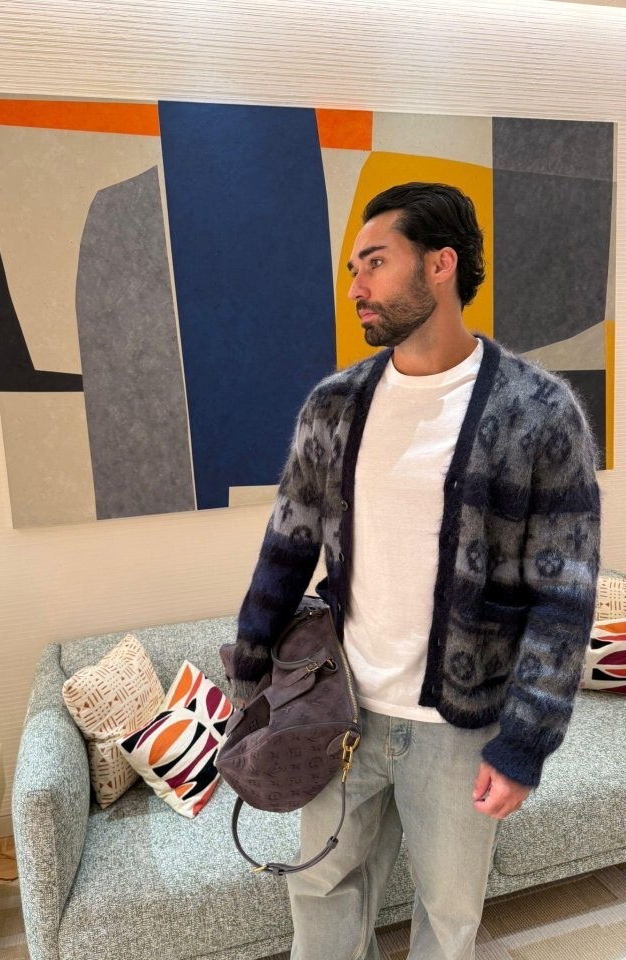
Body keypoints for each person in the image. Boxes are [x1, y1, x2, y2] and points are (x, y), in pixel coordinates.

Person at [224, 182, 601, 960]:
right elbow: (286, 549)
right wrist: (250, 677)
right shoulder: (334, 406)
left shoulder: (539, 412)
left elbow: (563, 599)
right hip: (336, 707)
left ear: (439, 265)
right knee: (319, 894)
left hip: (462, 726)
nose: (356, 287)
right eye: (353, 269)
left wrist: (524, 743)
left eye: (375, 262)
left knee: (449, 915)